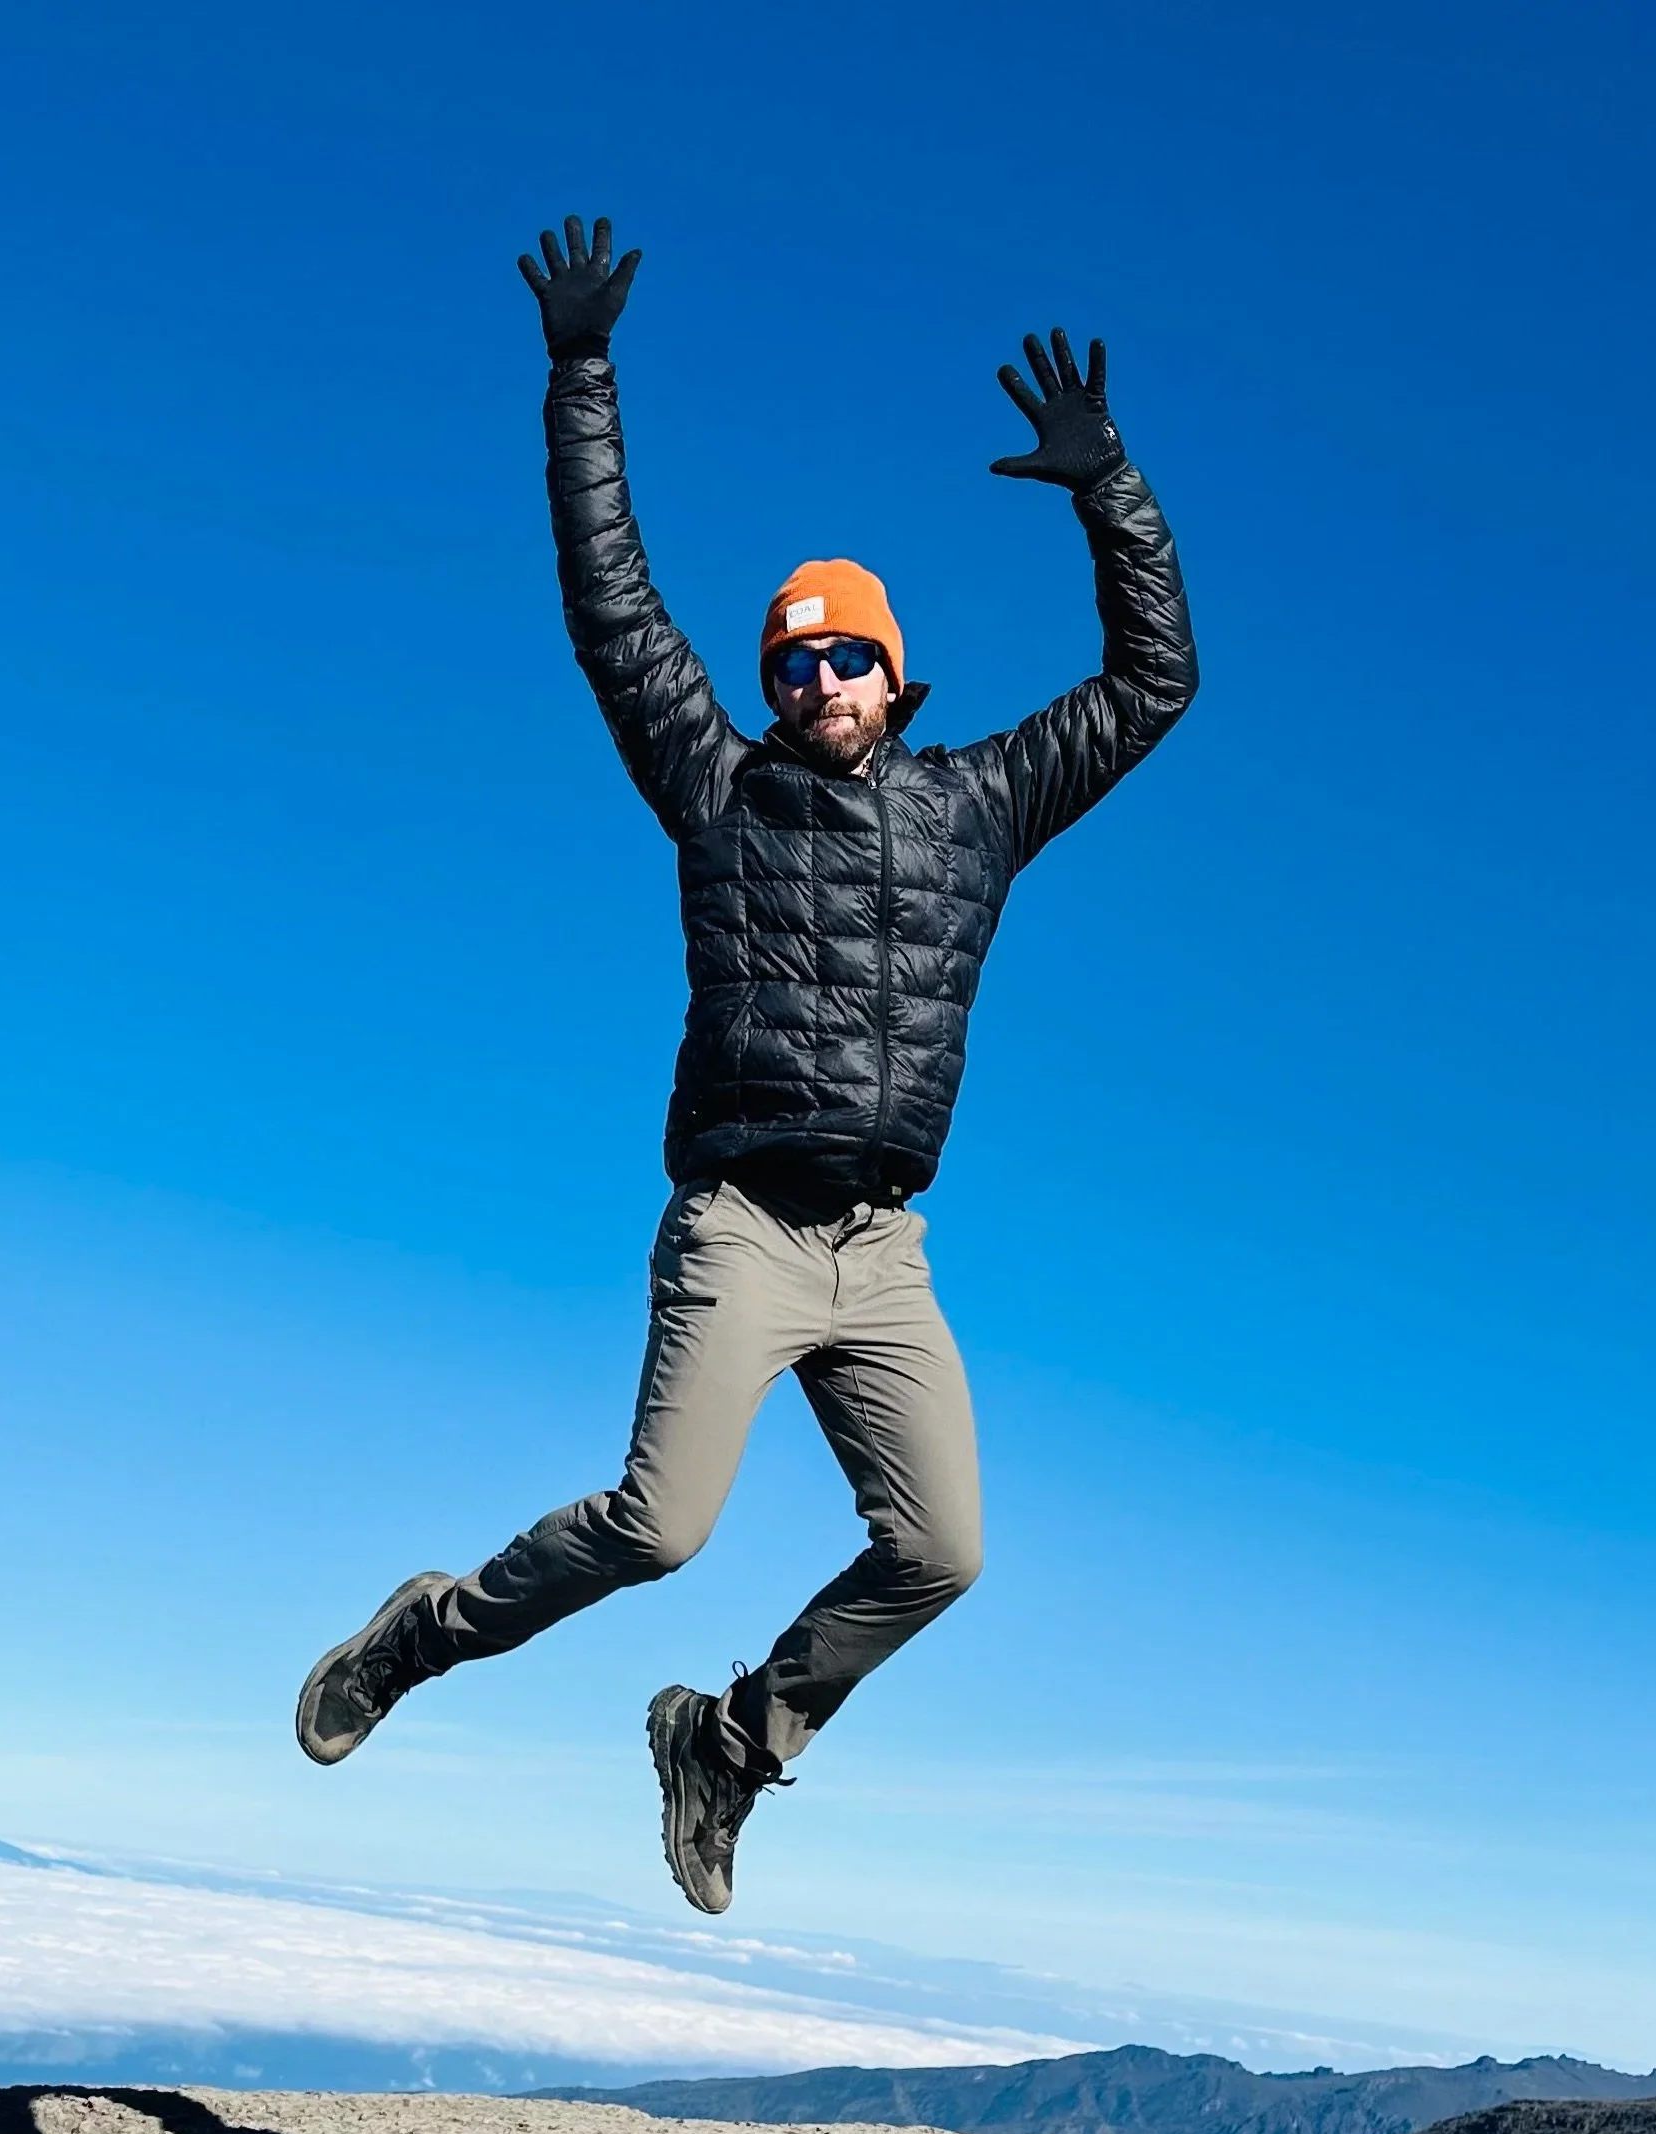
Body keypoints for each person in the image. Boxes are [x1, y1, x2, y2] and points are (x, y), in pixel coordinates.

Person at [296, 215, 1198, 1916]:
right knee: (658, 1530)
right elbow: (611, 605)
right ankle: (428, 1634)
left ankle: (733, 1742)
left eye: (845, 653)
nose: (816, 676)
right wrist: (580, 376)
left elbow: (1158, 682)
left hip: (887, 1249)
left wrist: (1110, 489)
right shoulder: (718, 788)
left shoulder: (983, 806)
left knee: (941, 1552)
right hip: (741, 1229)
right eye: (792, 658)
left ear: (897, 673)